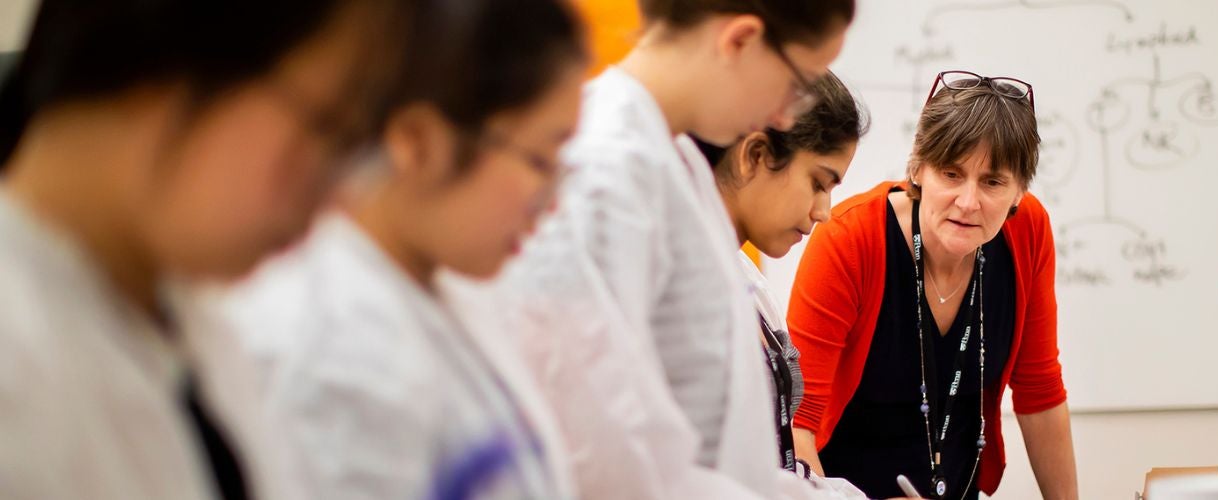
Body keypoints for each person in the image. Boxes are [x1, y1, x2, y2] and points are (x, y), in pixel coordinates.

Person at [442, 0, 855, 498]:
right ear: (740, 40)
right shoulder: (607, 168)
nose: (785, 114)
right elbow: (601, 452)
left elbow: (716, 444)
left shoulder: (672, 156)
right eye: (796, 83)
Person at [0, 1, 411, 499]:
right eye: (328, 127)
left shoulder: (187, 317)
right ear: (163, 57)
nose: (338, 196)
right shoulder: (17, 370)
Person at [215, 0, 588, 498]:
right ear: (418, 142)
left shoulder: (438, 286)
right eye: (540, 161)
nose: (553, 202)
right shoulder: (335, 347)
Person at [787, 70, 1080, 500]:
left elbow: (1040, 391)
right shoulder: (850, 239)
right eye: (951, 173)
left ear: (1019, 190)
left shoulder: (1028, 231)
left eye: (993, 182)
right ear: (918, 168)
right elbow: (797, 423)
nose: (968, 202)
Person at [693, 70, 871, 499]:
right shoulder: (686, 287)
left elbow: (771, 468)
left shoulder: (748, 283)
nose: (824, 211)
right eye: (818, 183)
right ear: (755, 155)